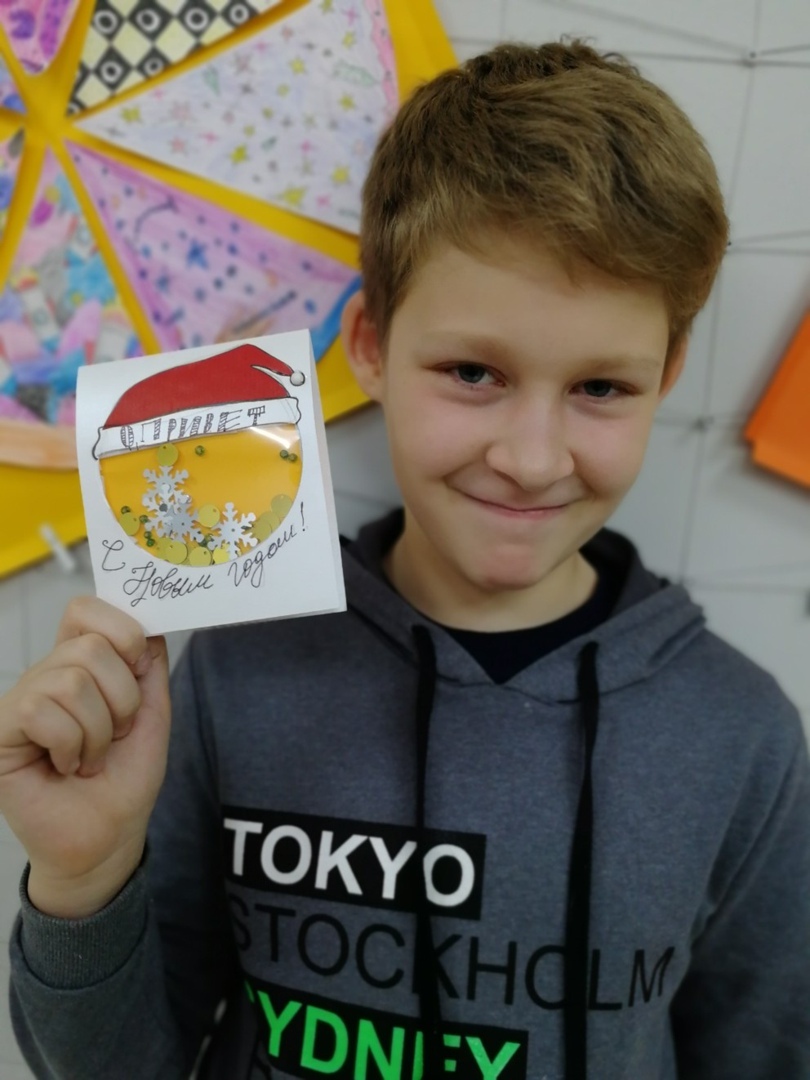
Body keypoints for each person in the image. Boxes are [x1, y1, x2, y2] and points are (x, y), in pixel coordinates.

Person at [4, 40, 810, 1080]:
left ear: (667, 374)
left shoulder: (742, 739)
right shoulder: (238, 669)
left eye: (601, 388)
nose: (531, 459)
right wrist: (84, 878)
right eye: (473, 372)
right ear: (372, 348)